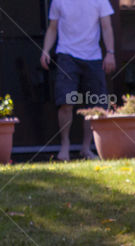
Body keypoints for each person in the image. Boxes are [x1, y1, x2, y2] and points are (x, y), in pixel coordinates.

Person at [40, 0, 116, 161]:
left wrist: (110, 53)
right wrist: (46, 50)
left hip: (93, 58)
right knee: (65, 102)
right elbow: (52, 27)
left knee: (94, 105)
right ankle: (65, 146)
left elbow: (106, 27)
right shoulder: (58, 1)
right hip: (66, 56)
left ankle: (86, 148)